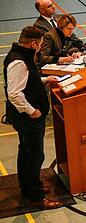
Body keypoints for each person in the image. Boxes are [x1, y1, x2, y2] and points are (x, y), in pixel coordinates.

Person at [3, 26, 62, 210]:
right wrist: (31, 111)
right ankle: (35, 197)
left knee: (26, 152)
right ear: (34, 43)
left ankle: (29, 185)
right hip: (28, 119)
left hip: (27, 117)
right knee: (35, 155)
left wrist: (45, 80)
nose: (41, 46)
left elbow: (27, 81)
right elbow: (14, 93)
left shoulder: (21, 55)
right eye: (41, 43)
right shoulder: (19, 62)